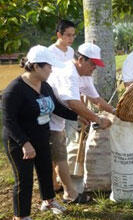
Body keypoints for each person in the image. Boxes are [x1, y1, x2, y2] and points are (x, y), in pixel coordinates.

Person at [2, 45, 78, 219]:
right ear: (36, 66)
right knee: (24, 178)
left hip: (42, 135)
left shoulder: (44, 86)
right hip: (18, 141)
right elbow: (8, 120)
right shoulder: (14, 90)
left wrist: (77, 117)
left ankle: (49, 200)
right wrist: (24, 143)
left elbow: (57, 107)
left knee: (45, 169)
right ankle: (21, 216)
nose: (51, 70)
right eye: (49, 66)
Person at [47, 42, 114, 203]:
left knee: (54, 153)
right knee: (59, 153)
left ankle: (53, 186)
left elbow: (97, 99)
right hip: (47, 116)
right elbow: (73, 103)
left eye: (96, 65)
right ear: (81, 60)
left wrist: (115, 112)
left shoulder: (84, 75)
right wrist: (97, 119)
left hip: (59, 115)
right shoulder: (69, 73)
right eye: (92, 64)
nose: (94, 68)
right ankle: (69, 194)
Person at [48, 19, 76, 193]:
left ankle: (55, 182)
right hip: (53, 100)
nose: (71, 38)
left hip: (67, 101)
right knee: (55, 146)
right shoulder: (49, 52)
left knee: (60, 143)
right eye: (68, 35)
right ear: (59, 35)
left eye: (73, 35)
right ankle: (54, 184)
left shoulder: (71, 51)